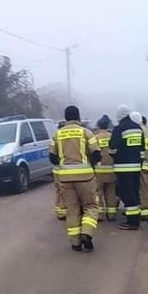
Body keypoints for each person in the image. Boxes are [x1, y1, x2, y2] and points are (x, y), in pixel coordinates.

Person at [49, 106, 101, 251]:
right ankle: (87, 233)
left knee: (72, 209)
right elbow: (96, 154)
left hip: (65, 178)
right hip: (85, 177)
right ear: (78, 117)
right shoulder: (86, 133)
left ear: (65, 118)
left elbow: (52, 158)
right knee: (90, 206)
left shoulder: (57, 135)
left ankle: (75, 242)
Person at [109, 105, 145, 230]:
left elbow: (112, 147)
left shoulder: (119, 128)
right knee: (134, 192)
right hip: (136, 167)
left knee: (126, 194)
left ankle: (133, 222)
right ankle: (136, 217)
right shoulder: (138, 128)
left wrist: (114, 156)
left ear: (119, 115)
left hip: (123, 167)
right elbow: (142, 150)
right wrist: (139, 163)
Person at [94, 115, 117, 221]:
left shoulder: (95, 138)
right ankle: (111, 214)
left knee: (98, 192)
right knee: (111, 193)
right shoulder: (113, 137)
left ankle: (100, 215)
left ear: (98, 126)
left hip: (98, 171)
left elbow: (92, 153)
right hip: (112, 170)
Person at [52, 120, 67, 220]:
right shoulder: (66, 139)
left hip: (57, 170)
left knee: (59, 191)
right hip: (64, 169)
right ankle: (63, 212)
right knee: (64, 191)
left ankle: (60, 212)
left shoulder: (55, 137)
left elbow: (52, 155)